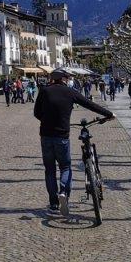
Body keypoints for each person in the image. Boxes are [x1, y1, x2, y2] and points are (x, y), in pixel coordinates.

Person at [34, 68, 115, 215]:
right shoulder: (70, 92)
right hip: (62, 136)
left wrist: (47, 121)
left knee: (50, 170)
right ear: (64, 79)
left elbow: (36, 113)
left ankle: (53, 204)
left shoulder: (44, 91)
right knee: (65, 167)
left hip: (45, 135)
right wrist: (108, 114)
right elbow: (89, 104)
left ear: (52, 79)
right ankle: (64, 193)